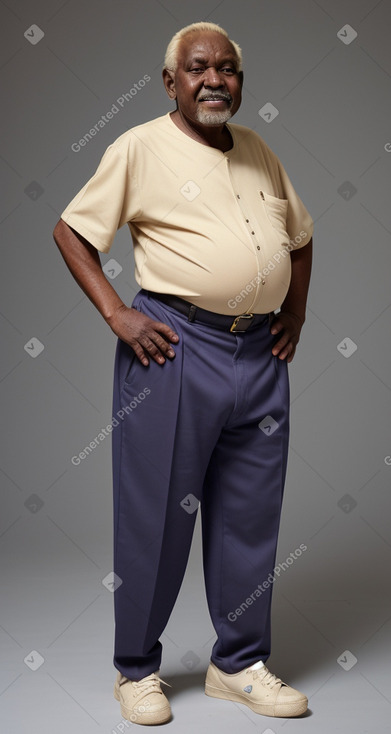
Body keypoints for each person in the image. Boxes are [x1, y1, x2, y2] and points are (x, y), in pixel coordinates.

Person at [53, 21, 313, 726]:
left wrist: (293, 311)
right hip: (175, 349)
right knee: (155, 519)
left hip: (259, 356)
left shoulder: (258, 151)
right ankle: (135, 670)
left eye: (226, 68)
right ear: (170, 81)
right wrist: (116, 313)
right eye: (197, 68)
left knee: (250, 517)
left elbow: (299, 234)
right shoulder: (138, 147)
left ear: (238, 81)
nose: (213, 80)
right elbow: (72, 231)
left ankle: (238, 664)